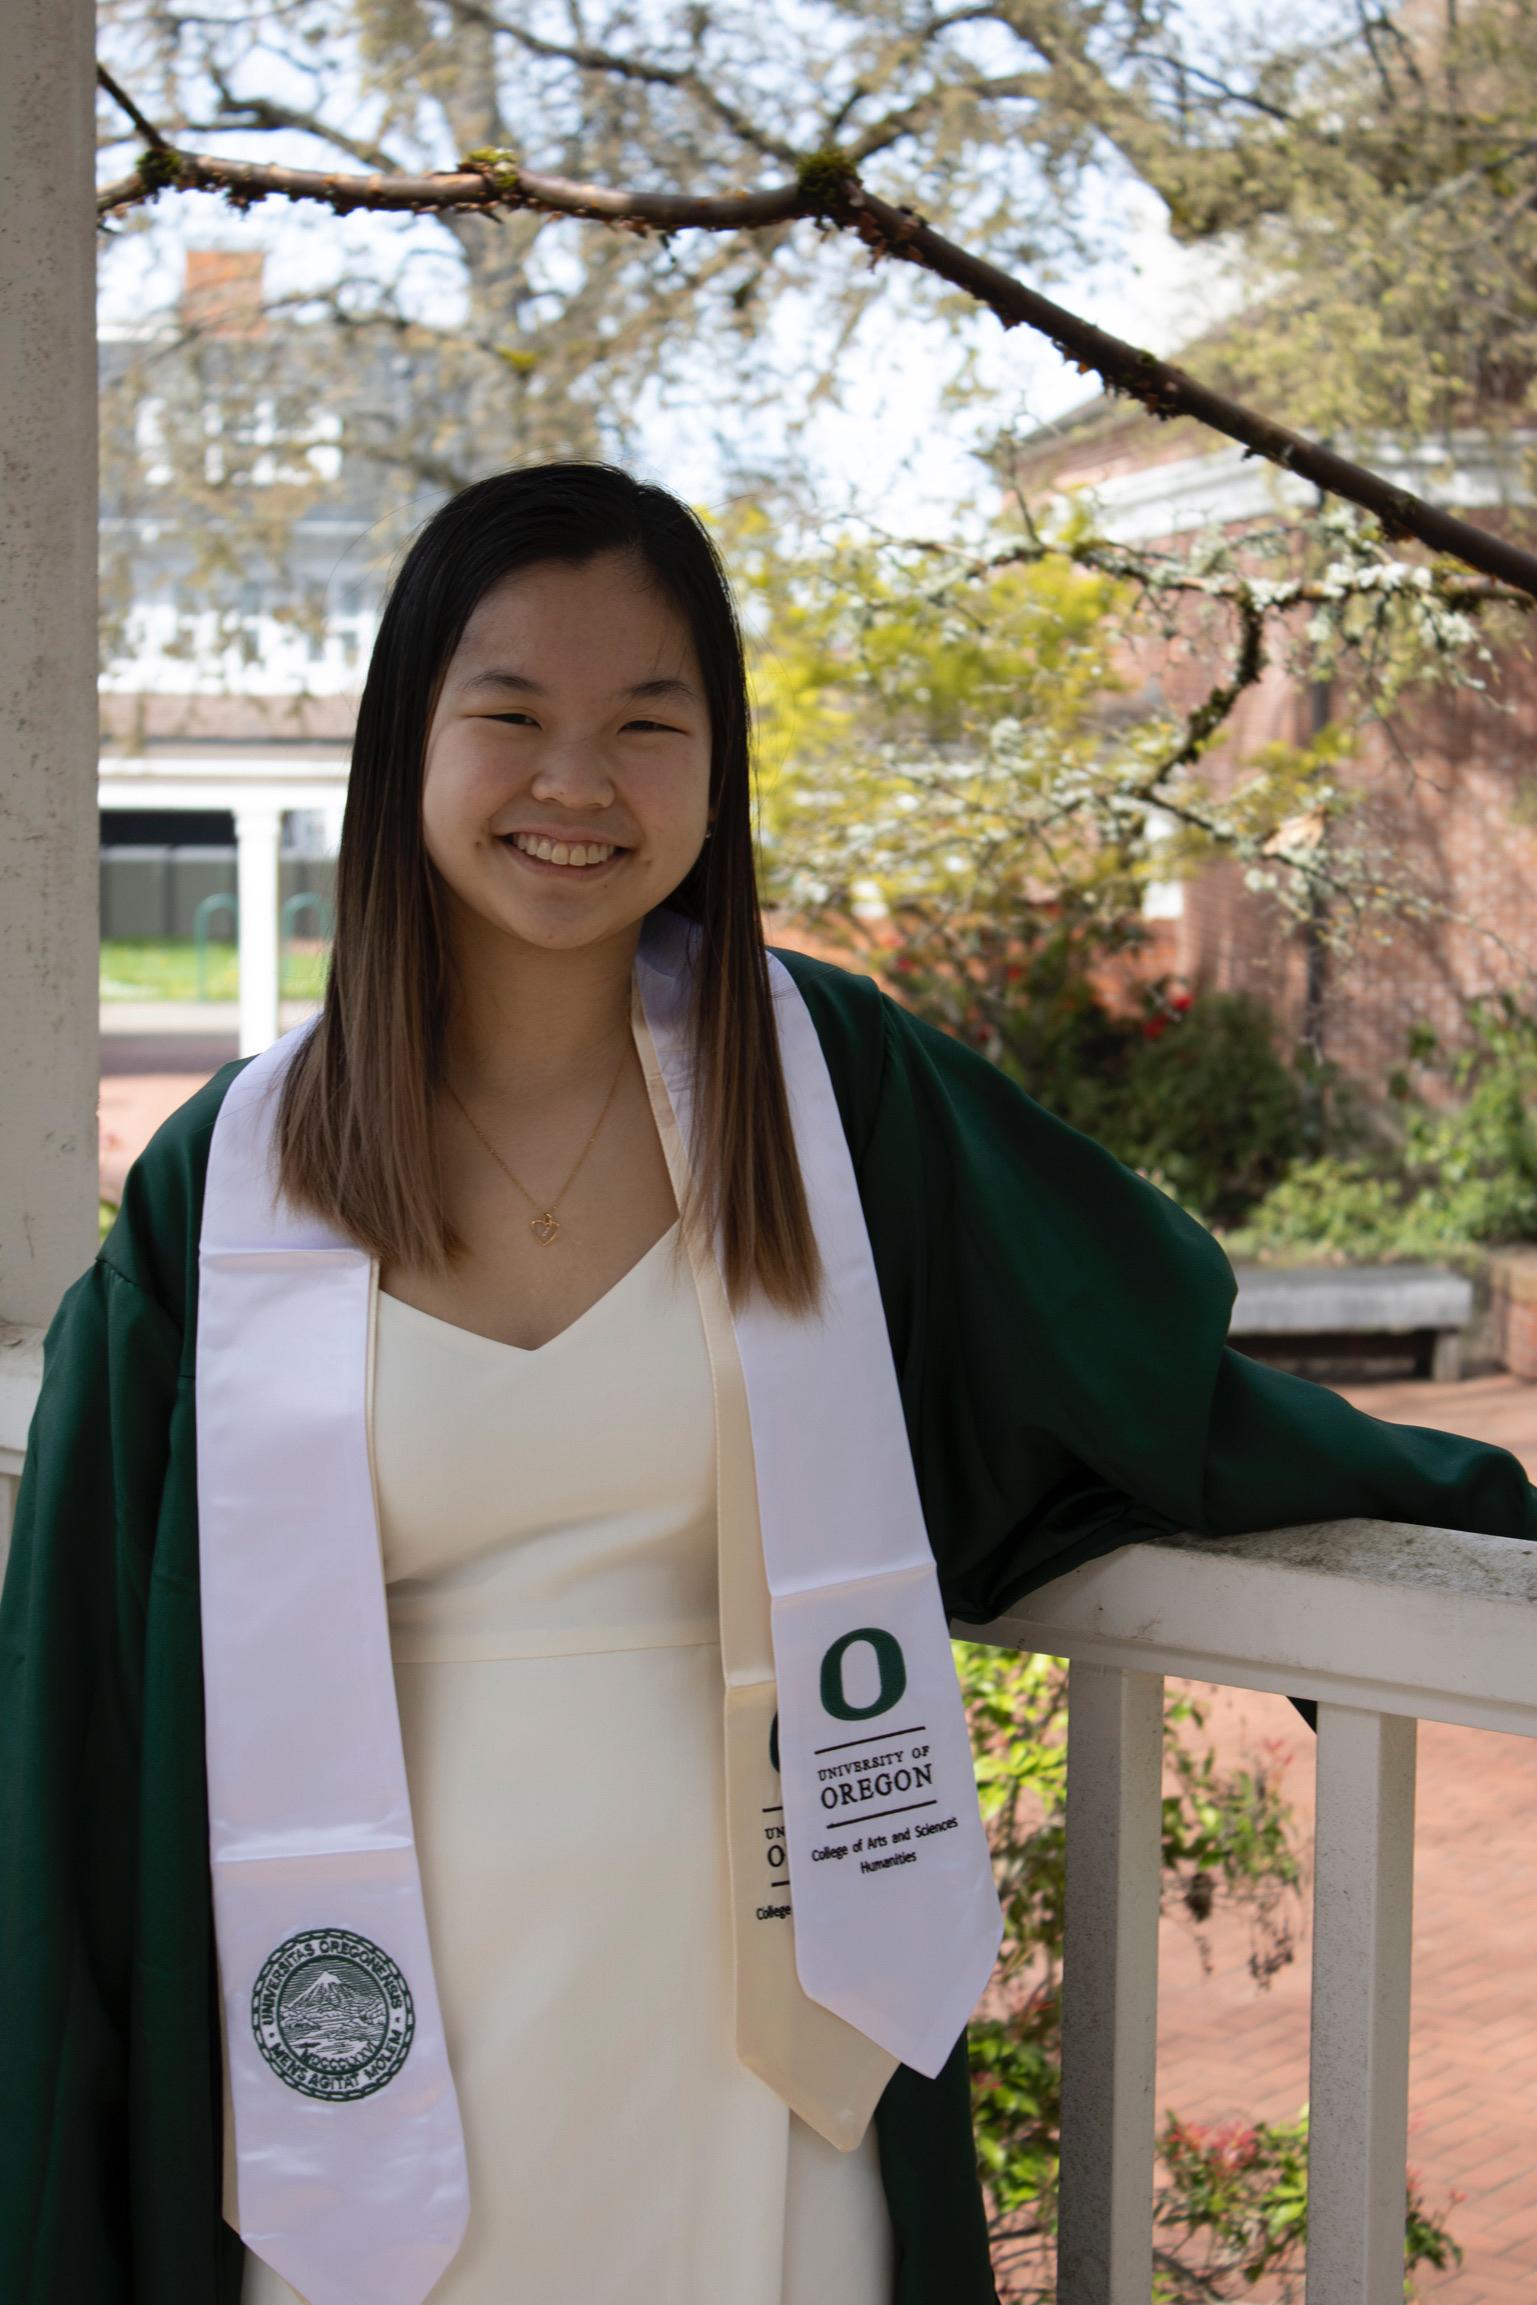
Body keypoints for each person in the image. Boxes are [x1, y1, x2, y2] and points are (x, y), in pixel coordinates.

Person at [2, 461, 1534, 2305]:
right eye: (510, 716)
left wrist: (1466, 1510)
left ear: (713, 770)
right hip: (361, 2045)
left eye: (647, 723)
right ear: (403, 743)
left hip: (760, 2016)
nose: (578, 782)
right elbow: (86, 1678)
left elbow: (1124, 1374)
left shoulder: (827, 1093)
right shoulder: (232, 1182)